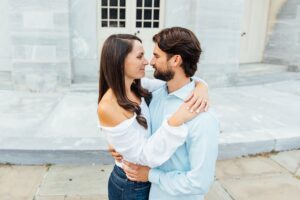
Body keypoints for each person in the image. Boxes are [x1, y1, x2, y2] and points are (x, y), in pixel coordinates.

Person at [97, 34, 209, 200]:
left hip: (145, 179)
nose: (147, 61)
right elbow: (144, 156)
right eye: (140, 56)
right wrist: (176, 120)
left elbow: (178, 83)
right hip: (131, 183)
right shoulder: (108, 106)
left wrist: (201, 86)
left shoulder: (138, 86)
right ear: (120, 61)